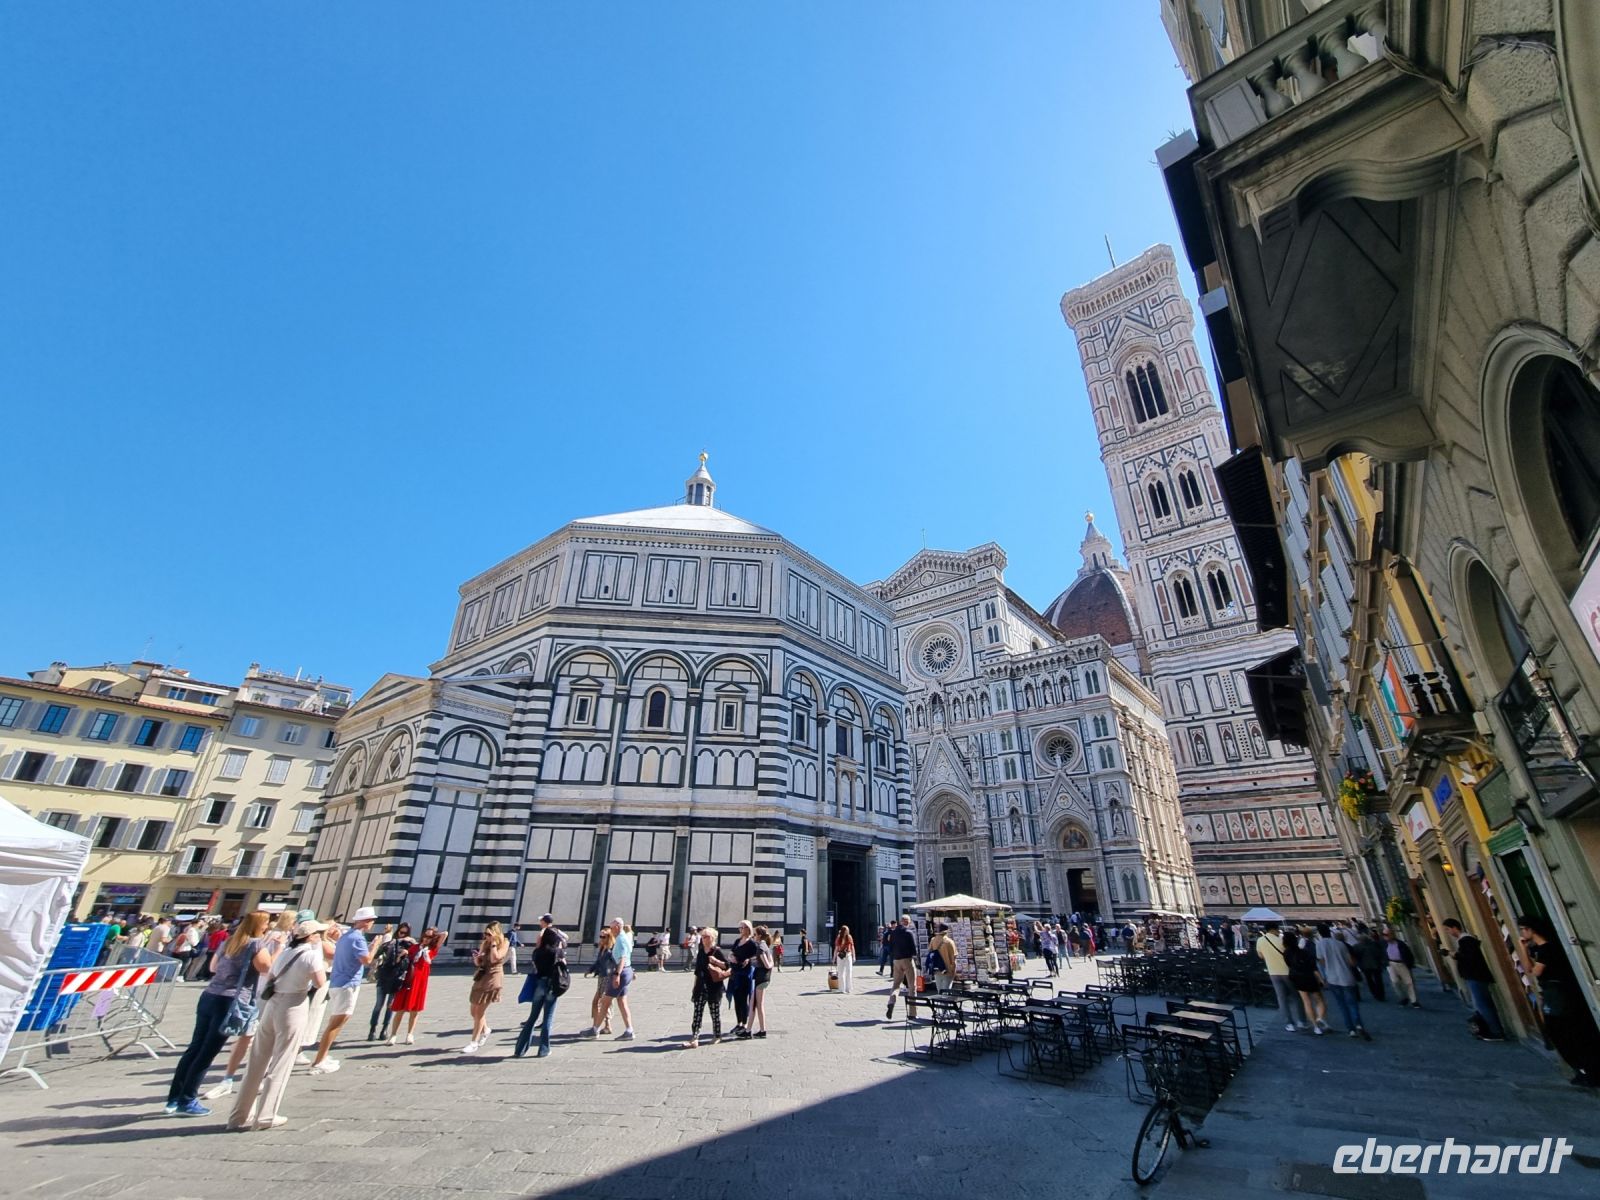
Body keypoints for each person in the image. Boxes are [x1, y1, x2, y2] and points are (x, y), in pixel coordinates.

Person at [165, 912, 273, 1116]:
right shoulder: (256, 944)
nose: (268, 925)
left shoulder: (230, 941)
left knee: (194, 1048)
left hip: (209, 995)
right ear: (260, 925)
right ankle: (187, 1101)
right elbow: (267, 968)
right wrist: (274, 949)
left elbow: (213, 967)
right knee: (207, 1052)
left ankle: (174, 1098)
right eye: (266, 922)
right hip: (230, 1000)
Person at [226, 919, 327, 1132]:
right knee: (282, 1061)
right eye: (318, 933)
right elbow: (320, 983)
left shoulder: (284, 953)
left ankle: (238, 1115)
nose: (320, 936)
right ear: (310, 936)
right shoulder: (311, 955)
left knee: (257, 1060)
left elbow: (270, 975)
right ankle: (265, 1116)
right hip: (293, 1004)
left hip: (272, 1005)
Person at [1519, 914, 1600, 1087]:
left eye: (1522, 929)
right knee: (1559, 1031)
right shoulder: (1539, 950)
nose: (1522, 933)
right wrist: (1524, 950)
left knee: (1564, 1031)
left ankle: (1586, 1070)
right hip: (1552, 994)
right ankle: (1582, 1069)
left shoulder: (1548, 949)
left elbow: (1535, 972)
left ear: (1530, 929)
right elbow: (1528, 969)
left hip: (1558, 995)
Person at [308, 906, 376, 1074]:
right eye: (371, 920)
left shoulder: (346, 937)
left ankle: (322, 1056)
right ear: (365, 922)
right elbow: (367, 960)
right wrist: (375, 945)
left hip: (337, 982)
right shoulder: (357, 938)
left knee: (336, 1021)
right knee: (336, 1023)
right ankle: (319, 1061)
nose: (372, 923)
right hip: (347, 984)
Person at [514, 913, 568, 1058]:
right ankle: (543, 1050)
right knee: (548, 1018)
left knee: (532, 1018)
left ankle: (520, 1050)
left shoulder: (537, 953)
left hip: (539, 984)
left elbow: (535, 966)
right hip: (552, 985)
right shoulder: (558, 953)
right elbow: (564, 967)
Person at [1441, 918, 1505, 1041]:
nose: (1448, 932)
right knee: (1484, 1004)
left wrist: (1454, 954)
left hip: (1476, 977)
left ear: (1455, 927)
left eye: (1448, 929)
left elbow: (1468, 958)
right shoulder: (1465, 941)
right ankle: (1492, 1029)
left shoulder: (1466, 940)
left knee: (1483, 1005)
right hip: (1476, 976)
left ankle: (1496, 1032)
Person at [388, 927, 444, 1044]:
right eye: (425, 936)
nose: (426, 939)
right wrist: (404, 953)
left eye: (429, 937)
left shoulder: (432, 950)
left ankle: (410, 1034)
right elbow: (405, 959)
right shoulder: (414, 947)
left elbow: (445, 934)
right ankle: (393, 1035)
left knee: (415, 1010)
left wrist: (435, 935)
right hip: (408, 979)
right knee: (400, 1009)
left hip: (420, 981)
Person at [1315, 922, 1369, 1040]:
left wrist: (1325, 974)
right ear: (1330, 932)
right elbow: (1351, 962)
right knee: (1352, 1004)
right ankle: (1358, 1024)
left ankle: (1351, 1030)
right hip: (1347, 976)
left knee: (1342, 1005)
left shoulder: (1319, 945)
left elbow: (1321, 962)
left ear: (1319, 933)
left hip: (1332, 978)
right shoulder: (1340, 944)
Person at [463, 921, 509, 1053]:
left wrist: (494, 943)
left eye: (489, 934)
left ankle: (474, 1042)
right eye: (485, 934)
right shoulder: (485, 943)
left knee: (479, 1011)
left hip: (493, 978)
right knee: (473, 1011)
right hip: (481, 977)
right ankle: (486, 1030)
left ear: (495, 933)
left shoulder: (504, 942)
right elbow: (479, 963)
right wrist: (477, 958)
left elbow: (496, 959)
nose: (486, 936)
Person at [685, 926, 731, 1048]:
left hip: (714, 987)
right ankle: (694, 1037)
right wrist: (695, 986)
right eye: (703, 936)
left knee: (714, 1012)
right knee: (697, 1012)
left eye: (706, 936)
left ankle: (717, 1035)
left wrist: (715, 961)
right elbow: (697, 970)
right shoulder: (701, 951)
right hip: (701, 986)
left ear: (712, 938)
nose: (704, 938)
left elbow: (727, 966)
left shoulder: (717, 951)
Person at [1256, 922, 1306, 1032]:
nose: (1279, 931)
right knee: (1296, 996)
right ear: (1274, 929)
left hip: (1273, 972)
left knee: (1281, 998)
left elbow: (1260, 956)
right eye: (1278, 929)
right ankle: (1301, 1021)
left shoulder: (1260, 940)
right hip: (1287, 972)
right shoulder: (1281, 940)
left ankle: (1289, 1024)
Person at [369, 923, 414, 1041]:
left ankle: (384, 1030)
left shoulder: (409, 945)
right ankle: (372, 1030)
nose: (402, 935)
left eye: (405, 933)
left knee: (391, 1006)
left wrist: (408, 951)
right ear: (397, 931)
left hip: (397, 978)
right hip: (384, 977)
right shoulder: (389, 944)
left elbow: (416, 956)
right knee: (378, 1005)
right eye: (400, 932)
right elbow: (375, 956)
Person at [1285, 927, 1328, 1034]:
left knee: (1306, 1002)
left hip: (1297, 978)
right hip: (1309, 976)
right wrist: (1321, 978)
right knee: (1319, 999)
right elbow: (1313, 967)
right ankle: (1320, 1018)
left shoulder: (1286, 953)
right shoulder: (1304, 951)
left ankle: (1315, 1026)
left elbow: (1289, 965)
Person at [605, 917, 637, 1040]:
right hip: (623, 971)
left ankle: (595, 1028)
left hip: (620, 973)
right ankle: (629, 1030)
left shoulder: (622, 939)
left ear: (617, 927)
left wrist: (617, 974)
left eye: (612, 928)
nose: (610, 930)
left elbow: (624, 957)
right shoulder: (622, 938)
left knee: (605, 1002)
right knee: (621, 1001)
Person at [584, 928, 618, 1037]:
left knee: (601, 1002)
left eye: (603, 937)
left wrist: (619, 974)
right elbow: (598, 962)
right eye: (600, 936)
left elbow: (618, 962)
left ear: (609, 937)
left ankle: (598, 1027)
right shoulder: (602, 949)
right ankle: (602, 1026)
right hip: (601, 977)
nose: (601, 938)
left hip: (608, 978)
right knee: (601, 1002)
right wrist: (590, 969)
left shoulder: (611, 950)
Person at [884, 915, 919, 1022]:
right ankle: (912, 1013)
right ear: (907, 922)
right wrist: (916, 960)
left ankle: (891, 1002)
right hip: (907, 960)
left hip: (896, 960)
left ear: (900, 922)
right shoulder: (909, 932)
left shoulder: (893, 933)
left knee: (896, 984)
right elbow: (913, 948)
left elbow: (888, 945)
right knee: (912, 986)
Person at [729, 921, 760, 1037]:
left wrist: (749, 960)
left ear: (748, 929)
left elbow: (757, 955)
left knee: (743, 999)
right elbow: (731, 952)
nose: (740, 929)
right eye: (739, 928)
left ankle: (746, 1024)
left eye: (742, 927)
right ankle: (739, 1023)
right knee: (736, 998)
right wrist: (730, 957)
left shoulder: (752, 943)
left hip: (745, 974)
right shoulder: (737, 941)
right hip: (735, 973)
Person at [1383, 927, 1422, 1007]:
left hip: (1401, 963)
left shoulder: (1400, 944)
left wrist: (1409, 963)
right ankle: (1403, 997)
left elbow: (1408, 954)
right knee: (1395, 982)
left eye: (1387, 935)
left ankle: (1414, 1000)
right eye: (1384, 935)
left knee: (1409, 982)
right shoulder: (1384, 944)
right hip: (1391, 964)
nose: (1385, 936)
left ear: (1392, 935)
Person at [748, 926, 775, 1038]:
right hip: (764, 978)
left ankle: (759, 1030)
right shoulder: (765, 945)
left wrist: (767, 965)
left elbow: (767, 964)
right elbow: (771, 962)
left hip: (760, 978)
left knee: (757, 1004)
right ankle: (757, 1030)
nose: (753, 936)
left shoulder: (760, 947)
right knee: (756, 1004)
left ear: (759, 935)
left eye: (754, 934)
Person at [1353, 924, 1388, 1001]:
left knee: (1369, 980)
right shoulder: (1374, 944)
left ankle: (1375, 993)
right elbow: (1379, 953)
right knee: (1378, 979)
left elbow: (1356, 957)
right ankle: (1381, 994)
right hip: (1376, 964)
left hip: (1365, 966)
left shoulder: (1357, 946)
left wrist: (1359, 964)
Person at [927, 923, 957, 992]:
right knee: (946, 991)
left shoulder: (933, 940)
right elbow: (954, 958)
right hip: (947, 969)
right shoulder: (950, 942)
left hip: (937, 968)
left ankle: (939, 1002)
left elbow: (930, 952)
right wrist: (954, 971)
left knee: (939, 991)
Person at [834, 925, 855, 993]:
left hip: (848, 955)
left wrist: (854, 956)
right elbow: (836, 948)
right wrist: (834, 958)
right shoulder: (839, 937)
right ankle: (842, 988)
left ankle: (848, 988)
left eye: (847, 930)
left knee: (849, 971)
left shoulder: (849, 937)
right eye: (846, 930)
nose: (847, 932)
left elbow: (852, 947)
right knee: (840, 972)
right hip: (840, 956)